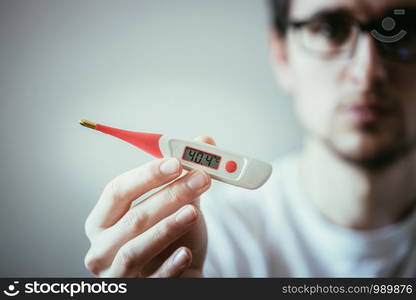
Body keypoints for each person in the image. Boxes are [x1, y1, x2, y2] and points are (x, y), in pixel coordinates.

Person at [83, 0, 416, 277]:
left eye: (405, 30)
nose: (368, 72)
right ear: (281, 55)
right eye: (330, 29)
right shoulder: (197, 238)